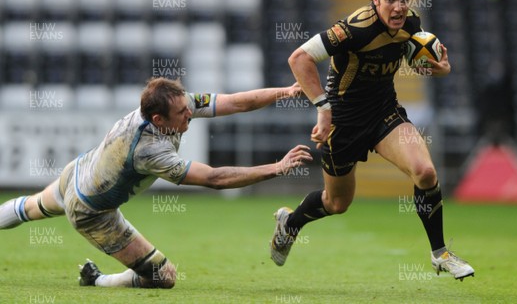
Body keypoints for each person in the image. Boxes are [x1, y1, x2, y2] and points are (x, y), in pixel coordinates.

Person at [0, 77, 312, 289]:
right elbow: (215, 179)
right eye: (181, 112)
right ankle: (96, 280)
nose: (189, 112)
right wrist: (276, 167)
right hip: (93, 213)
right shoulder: (149, 150)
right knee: (165, 277)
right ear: (159, 120)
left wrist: (283, 92)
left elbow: (234, 103)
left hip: (79, 172)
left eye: (187, 105)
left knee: (31, 207)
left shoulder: (168, 104)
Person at [269, 0, 475, 281]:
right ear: (375, 0)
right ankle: (291, 223)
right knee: (336, 203)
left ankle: (440, 254)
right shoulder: (353, 29)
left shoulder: (411, 23)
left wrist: (439, 68)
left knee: (426, 172)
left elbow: (411, 58)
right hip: (343, 122)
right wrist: (322, 109)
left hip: (384, 113)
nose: (398, 7)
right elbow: (299, 58)